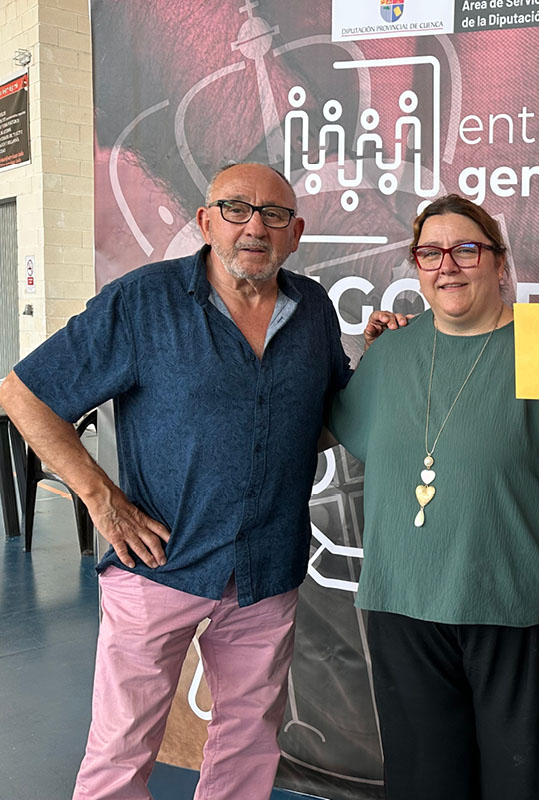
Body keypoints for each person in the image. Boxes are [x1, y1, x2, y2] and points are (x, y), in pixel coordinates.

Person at [0, 163, 352, 799]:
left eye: (274, 215)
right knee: (121, 749)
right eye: (237, 209)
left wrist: (385, 355)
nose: (255, 227)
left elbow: (326, 415)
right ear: (205, 221)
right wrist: (102, 500)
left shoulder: (313, 310)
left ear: (295, 232)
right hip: (159, 564)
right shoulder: (143, 302)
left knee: (249, 742)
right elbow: (23, 394)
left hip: (265, 569)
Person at [325, 193, 539, 800]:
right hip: (402, 605)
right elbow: (334, 427)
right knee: (422, 786)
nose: (447, 265)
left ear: (499, 261)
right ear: (417, 267)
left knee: (521, 785)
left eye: (466, 250)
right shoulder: (390, 352)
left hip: (516, 605)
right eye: (430, 253)